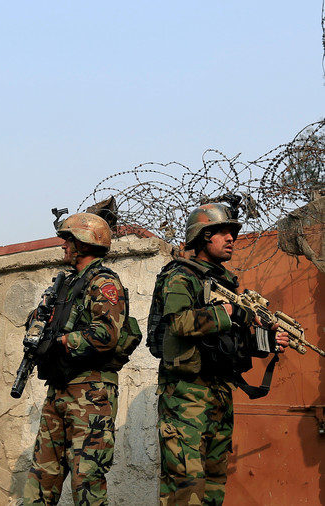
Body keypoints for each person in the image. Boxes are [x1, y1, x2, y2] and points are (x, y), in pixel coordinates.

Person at [153, 203, 290, 505]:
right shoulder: (181, 277)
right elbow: (179, 323)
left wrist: (266, 343)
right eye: (223, 232)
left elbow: (229, 341)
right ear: (203, 237)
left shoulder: (226, 283)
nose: (231, 238)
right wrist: (228, 312)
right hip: (185, 394)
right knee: (186, 485)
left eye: (233, 233)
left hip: (218, 392)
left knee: (214, 483)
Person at [22, 212, 137, 505]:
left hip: (91, 393)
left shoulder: (103, 282)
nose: (64, 246)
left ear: (84, 244)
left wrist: (59, 341)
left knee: (87, 479)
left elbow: (105, 334)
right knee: (41, 477)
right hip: (60, 387)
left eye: (68, 240)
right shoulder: (65, 284)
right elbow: (42, 322)